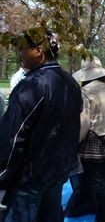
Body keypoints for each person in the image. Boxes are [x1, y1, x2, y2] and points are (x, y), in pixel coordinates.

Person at [0, 27, 82, 221]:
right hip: (58, 169)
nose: (20, 53)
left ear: (38, 51)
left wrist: (2, 175)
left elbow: (12, 137)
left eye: (23, 48)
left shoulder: (32, 85)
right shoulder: (70, 82)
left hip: (30, 177)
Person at [65, 57, 105, 222]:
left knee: (98, 182)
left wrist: (75, 141)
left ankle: (103, 217)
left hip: (96, 140)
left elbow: (84, 123)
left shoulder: (86, 91)